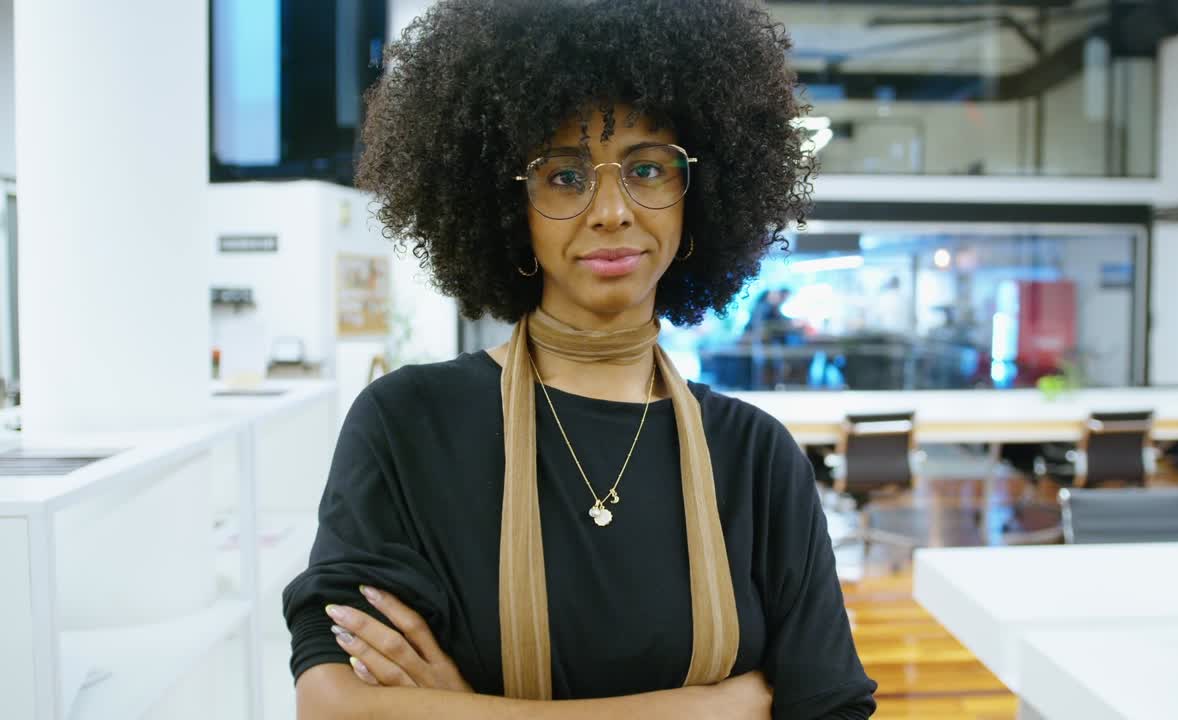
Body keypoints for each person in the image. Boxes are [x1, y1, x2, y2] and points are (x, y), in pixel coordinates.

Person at [282, 1, 877, 718]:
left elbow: (831, 708)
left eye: (648, 169)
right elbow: (330, 704)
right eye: (565, 176)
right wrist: (715, 707)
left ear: (697, 197)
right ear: (510, 207)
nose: (610, 210)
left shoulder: (754, 457)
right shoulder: (409, 425)